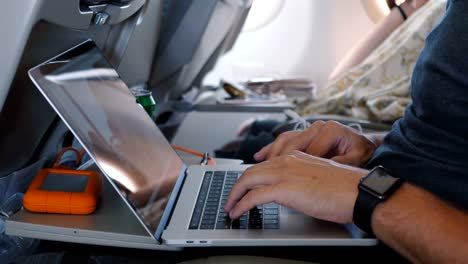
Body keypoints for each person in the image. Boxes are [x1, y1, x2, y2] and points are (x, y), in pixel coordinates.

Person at [225, 0, 468, 262]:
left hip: (407, 234)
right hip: (381, 194)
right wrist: (371, 146)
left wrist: (364, 195)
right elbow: (445, 136)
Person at [216, 0, 447, 164]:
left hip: (374, 122)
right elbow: (342, 80)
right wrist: (404, 10)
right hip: (352, 114)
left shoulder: (442, 12)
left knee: (252, 147)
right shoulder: (424, 11)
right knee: (256, 132)